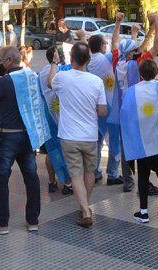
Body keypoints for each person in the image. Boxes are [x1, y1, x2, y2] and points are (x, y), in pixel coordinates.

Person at [48, 42, 107, 227]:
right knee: (89, 172)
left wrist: (54, 62)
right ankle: (85, 207)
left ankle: (86, 210)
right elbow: (103, 111)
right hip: (90, 135)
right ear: (88, 60)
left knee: (76, 175)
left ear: (71, 58)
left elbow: (49, 82)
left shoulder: (63, 77)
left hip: (69, 136)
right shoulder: (96, 81)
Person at [0, 46, 41, 234]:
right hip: (27, 135)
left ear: (9, 61)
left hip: (7, 135)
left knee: (1, 178)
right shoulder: (31, 77)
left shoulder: (4, 81)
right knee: (31, 177)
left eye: (0, 59)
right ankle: (33, 221)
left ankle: (2, 224)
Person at [110, 12, 158, 192]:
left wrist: (118, 22)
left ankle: (128, 182)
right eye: (136, 49)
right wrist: (156, 22)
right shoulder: (140, 62)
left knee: (126, 146)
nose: (139, 50)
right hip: (140, 111)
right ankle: (145, 182)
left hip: (122, 111)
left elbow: (114, 43)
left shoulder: (118, 62)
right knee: (141, 146)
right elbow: (157, 45)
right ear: (133, 53)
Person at [86, 31, 122, 186]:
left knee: (97, 141)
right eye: (104, 44)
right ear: (101, 46)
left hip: (94, 107)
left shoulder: (86, 62)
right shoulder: (107, 58)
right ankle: (112, 174)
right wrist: (118, 24)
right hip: (110, 107)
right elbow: (116, 45)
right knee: (114, 141)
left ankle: (95, 172)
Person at [37, 46, 73, 195]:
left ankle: (52, 182)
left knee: (50, 152)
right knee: (64, 151)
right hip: (62, 120)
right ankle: (68, 182)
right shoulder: (64, 71)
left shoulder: (39, 73)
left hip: (47, 119)